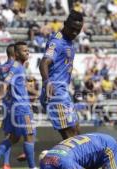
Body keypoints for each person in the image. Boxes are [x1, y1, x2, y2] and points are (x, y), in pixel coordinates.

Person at [0, 42, 42, 169]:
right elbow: (5, 85)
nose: (27, 53)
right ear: (16, 54)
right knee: (29, 135)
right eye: (24, 51)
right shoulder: (16, 67)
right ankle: (32, 168)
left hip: (14, 107)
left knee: (14, 138)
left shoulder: (16, 67)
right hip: (21, 107)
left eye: (28, 50)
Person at [39, 10, 83, 140]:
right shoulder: (56, 42)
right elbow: (44, 63)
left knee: (76, 131)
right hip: (55, 92)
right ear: (65, 24)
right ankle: (58, 159)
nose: (75, 32)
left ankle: (64, 158)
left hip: (63, 92)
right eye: (73, 29)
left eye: (78, 30)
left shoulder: (69, 42)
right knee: (70, 135)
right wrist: (47, 83)